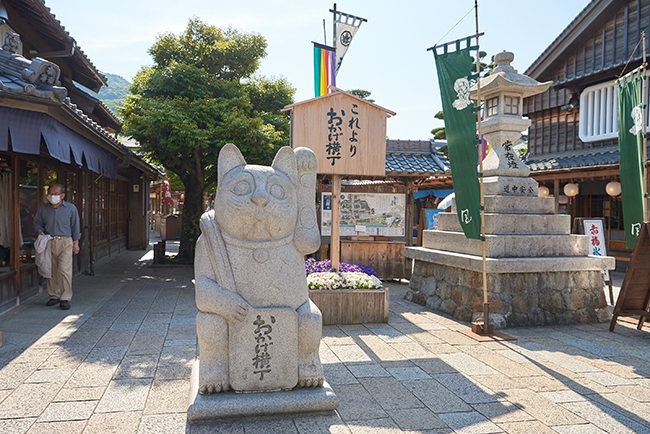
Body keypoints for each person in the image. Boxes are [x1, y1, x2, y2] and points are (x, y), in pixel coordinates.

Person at [34, 183, 80, 310]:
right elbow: (37, 223)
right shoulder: (43, 208)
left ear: (62, 195)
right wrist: (39, 231)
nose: (52, 196)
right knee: (51, 269)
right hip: (49, 241)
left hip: (65, 241)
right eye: (50, 193)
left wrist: (76, 243)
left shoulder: (71, 208)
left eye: (55, 194)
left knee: (64, 269)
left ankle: (65, 297)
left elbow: (76, 226)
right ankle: (54, 295)